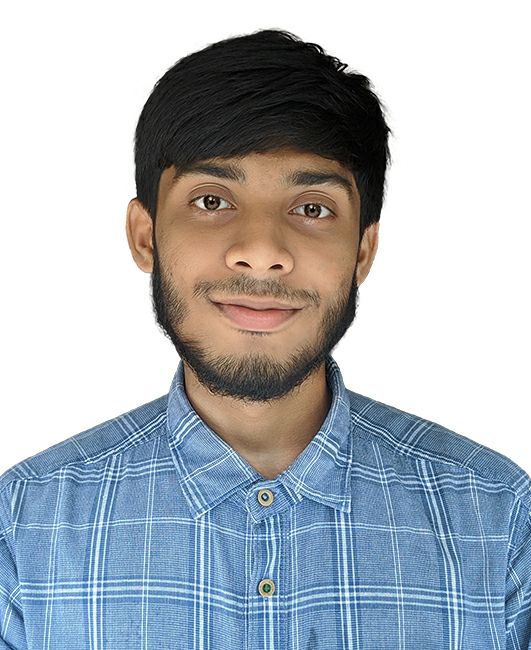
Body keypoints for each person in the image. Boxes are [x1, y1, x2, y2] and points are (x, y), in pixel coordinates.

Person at [0, 28, 529, 649]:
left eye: (312, 208)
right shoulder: (24, 527)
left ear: (363, 252)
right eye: (211, 200)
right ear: (145, 236)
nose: (261, 251)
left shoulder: (500, 520)